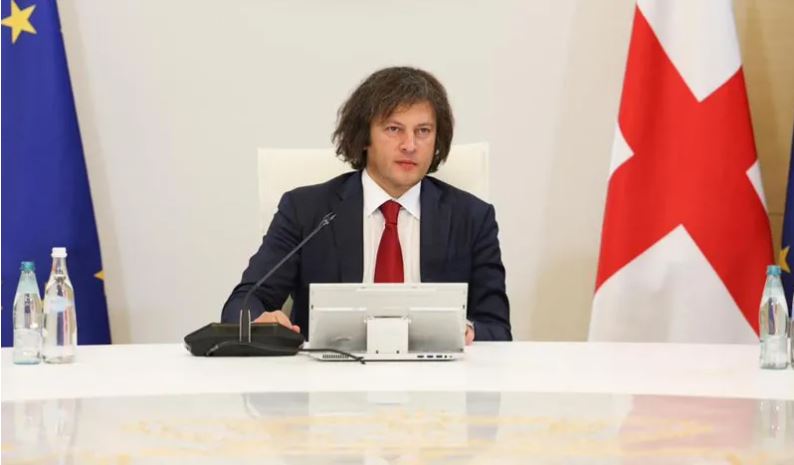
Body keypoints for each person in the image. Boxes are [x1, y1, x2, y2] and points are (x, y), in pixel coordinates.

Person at [221, 66, 511, 343]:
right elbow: (243, 303)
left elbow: (498, 329)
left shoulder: (473, 218)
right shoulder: (306, 210)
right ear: (364, 137)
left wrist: (468, 331)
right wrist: (258, 320)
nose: (410, 145)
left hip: (435, 374)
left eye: (423, 131)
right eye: (394, 129)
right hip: (331, 371)